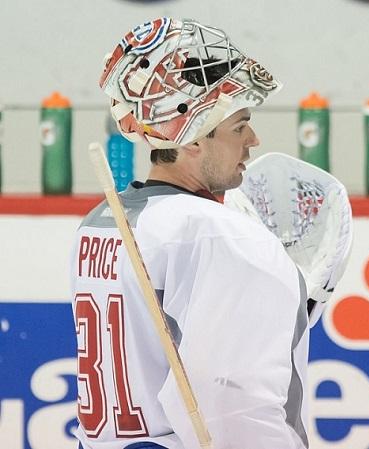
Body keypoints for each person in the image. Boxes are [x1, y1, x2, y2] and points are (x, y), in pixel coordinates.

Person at [70, 18, 311, 448]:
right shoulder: (213, 234)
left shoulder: (102, 220)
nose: (253, 140)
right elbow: (235, 403)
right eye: (239, 126)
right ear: (192, 140)